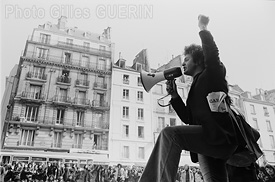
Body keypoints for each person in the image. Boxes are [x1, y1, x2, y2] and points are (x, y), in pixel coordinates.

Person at [138, 15, 239, 182]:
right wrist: (175, 96)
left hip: (217, 136)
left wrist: (203, 28)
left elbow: (212, 54)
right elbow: (188, 118)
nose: (183, 64)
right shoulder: (195, 87)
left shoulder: (212, 74)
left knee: (170, 134)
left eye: (186, 59)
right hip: (209, 142)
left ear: (199, 60)